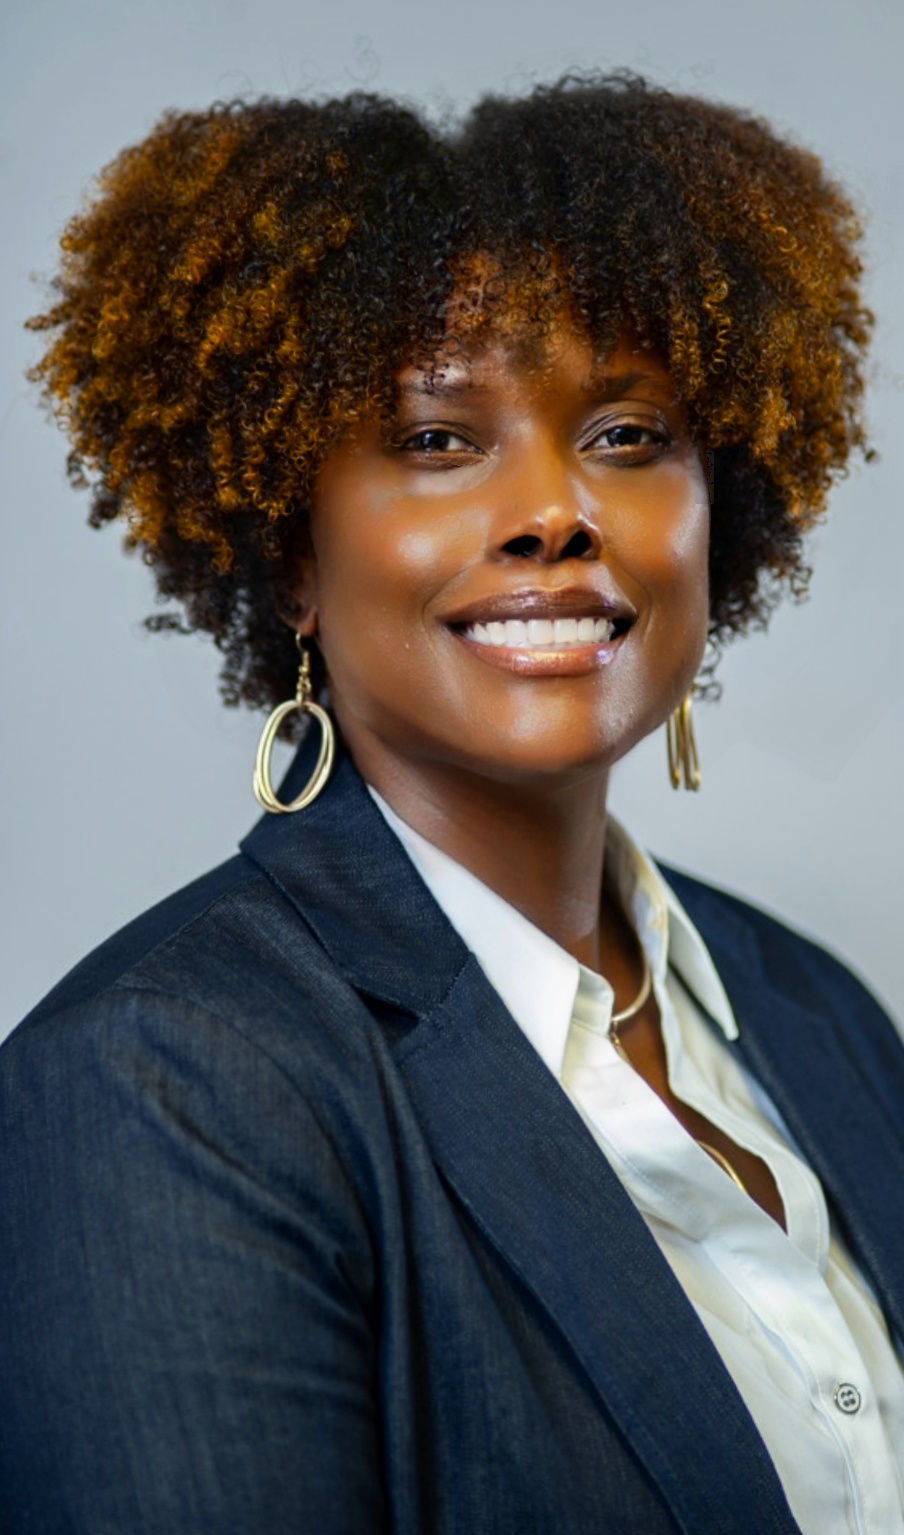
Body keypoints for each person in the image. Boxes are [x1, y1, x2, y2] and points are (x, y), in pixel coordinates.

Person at [1, 72, 902, 1535]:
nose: (554, 511)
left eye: (627, 433)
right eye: (436, 439)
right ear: (292, 557)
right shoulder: (164, 1085)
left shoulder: (819, 1017)